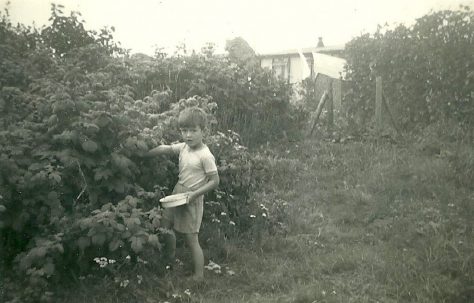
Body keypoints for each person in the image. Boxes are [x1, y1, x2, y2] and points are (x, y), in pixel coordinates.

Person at [146, 107, 219, 281]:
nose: (188, 135)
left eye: (193, 130)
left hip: (192, 198)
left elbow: (215, 181)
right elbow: (165, 148)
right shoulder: (184, 147)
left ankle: (199, 276)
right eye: (184, 130)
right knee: (165, 224)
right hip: (178, 192)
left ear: (203, 130)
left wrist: (194, 194)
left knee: (191, 237)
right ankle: (168, 260)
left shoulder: (205, 155)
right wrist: (143, 154)